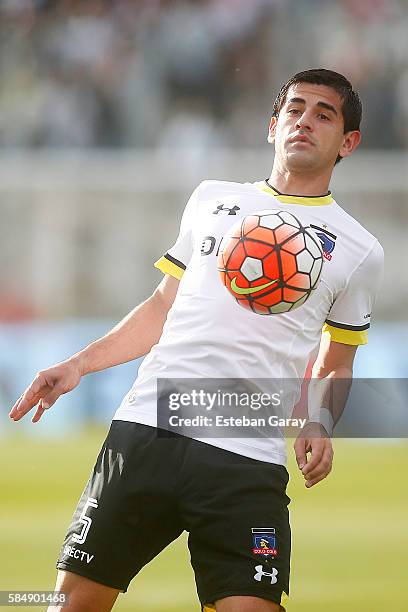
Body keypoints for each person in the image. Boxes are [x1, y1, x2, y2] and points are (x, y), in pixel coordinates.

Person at [10, 69, 384, 612]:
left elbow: (337, 359)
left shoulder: (358, 249)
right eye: (295, 109)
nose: (305, 121)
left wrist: (318, 421)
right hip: (147, 433)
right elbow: (163, 305)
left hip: (246, 458)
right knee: (71, 605)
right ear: (272, 124)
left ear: (347, 141)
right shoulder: (212, 199)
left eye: (323, 114)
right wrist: (78, 366)